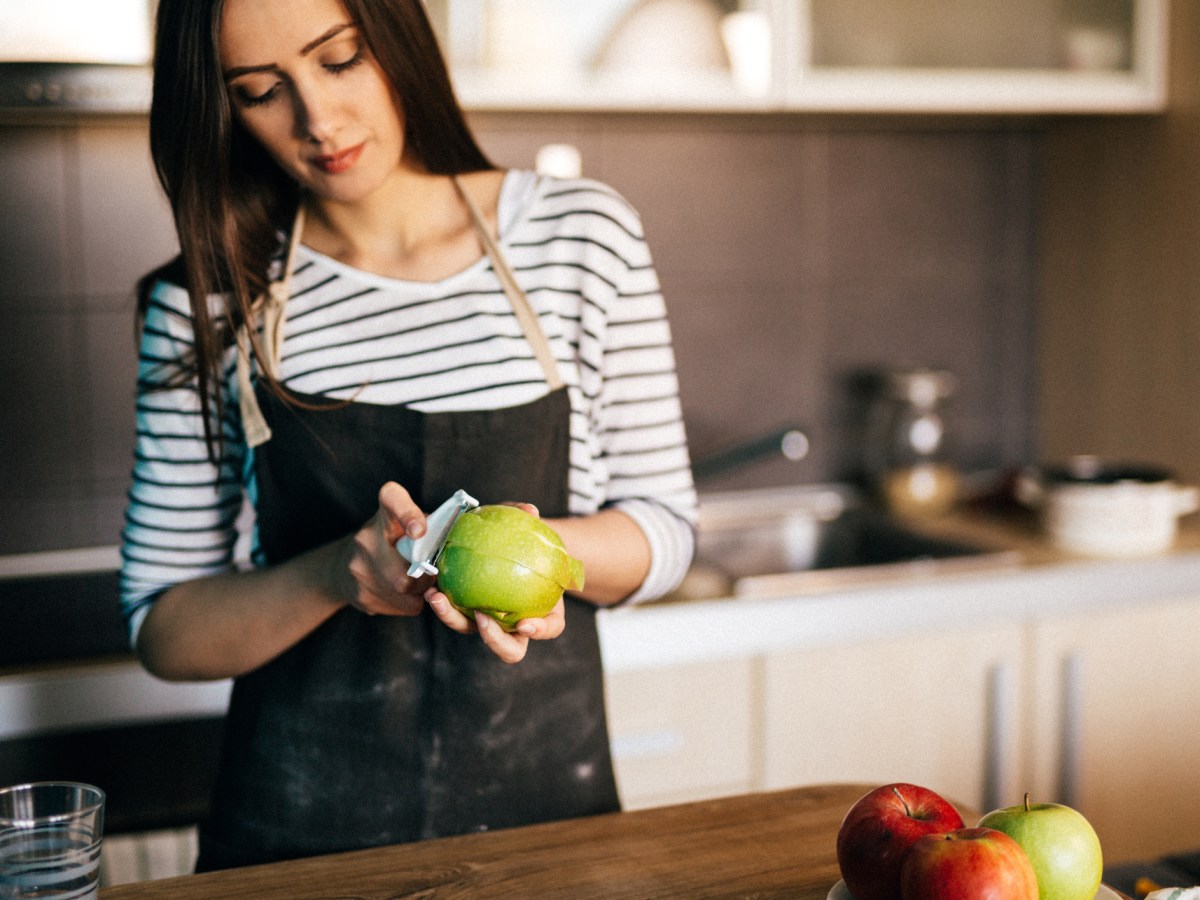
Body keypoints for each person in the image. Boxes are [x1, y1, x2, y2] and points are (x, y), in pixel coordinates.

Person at [119, 0, 697, 872]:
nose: (318, 120)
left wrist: (541, 556)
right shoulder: (209, 300)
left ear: (397, 39)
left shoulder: (579, 238)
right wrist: (338, 574)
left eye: (341, 59)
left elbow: (667, 528)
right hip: (294, 848)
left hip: (547, 836)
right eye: (261, 90)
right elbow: (164, 625)